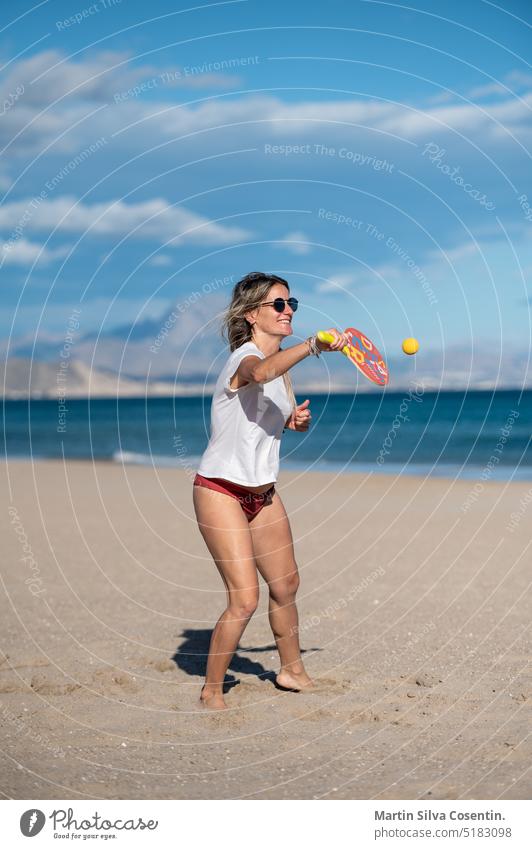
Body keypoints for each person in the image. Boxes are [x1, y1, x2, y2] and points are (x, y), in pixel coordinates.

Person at [193, 271, 348, 710]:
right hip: (220, 490)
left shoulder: (281, 369)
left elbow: (261, 415)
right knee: (245, 598)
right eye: (278, 304)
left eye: (291, 303)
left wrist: (291, 421)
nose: (288, 311)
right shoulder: (244, 357)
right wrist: (314, 346)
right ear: (251, 314)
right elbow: (259, 373)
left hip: (263, 493)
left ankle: (291, 670)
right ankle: (211, 690)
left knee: (287, 585)